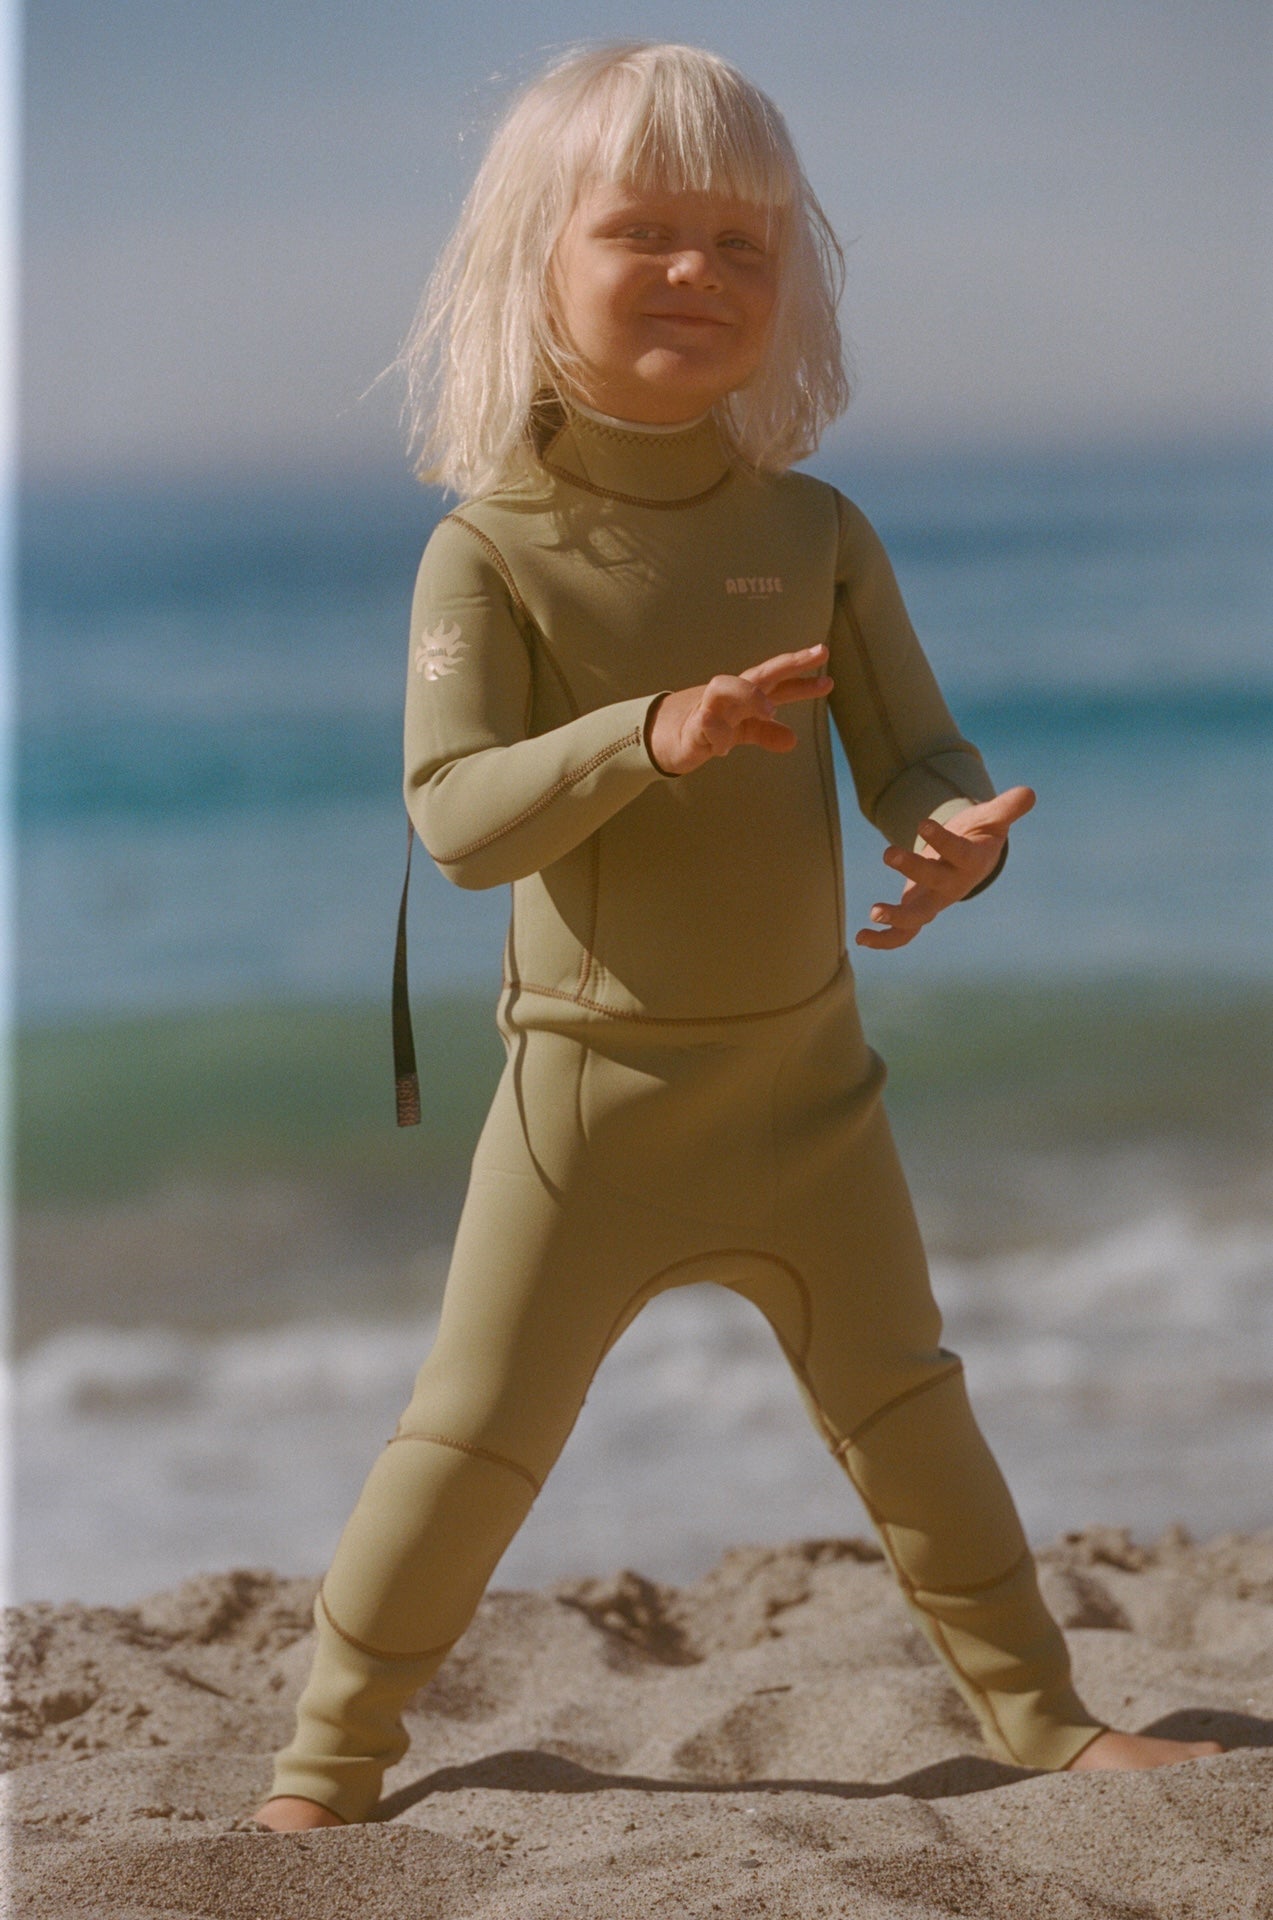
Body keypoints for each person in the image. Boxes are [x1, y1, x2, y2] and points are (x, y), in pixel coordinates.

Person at [252, 42, 1221, 1830]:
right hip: (588, 1110)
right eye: (646, 231)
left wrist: (951, 840)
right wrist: (651, 732)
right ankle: (327, 1769)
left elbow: (913, 754)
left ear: (794, 285)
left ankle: (1041, 1719)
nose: (699, 271)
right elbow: (457, 820)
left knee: (910, 1411)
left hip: (806, 1088)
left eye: (743, 241)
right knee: (469, 1447)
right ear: (532, 261)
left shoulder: (816, 532)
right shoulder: (491, 554)